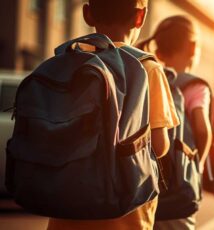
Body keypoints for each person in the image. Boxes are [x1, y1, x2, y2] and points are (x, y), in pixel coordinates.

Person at [47, 0, 179, 229]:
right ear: (140, 17)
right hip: (125, 217)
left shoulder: (65, 61)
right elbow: (159, 145)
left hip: (66, 212)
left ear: (87, 14)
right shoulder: (147, 68)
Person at [138, 15, 213, 229]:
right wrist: (198, 165)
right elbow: (202, 128)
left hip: (143, 189)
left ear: (159, 52)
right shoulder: (196, 87)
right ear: (193, 47)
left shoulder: (148, 77)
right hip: (178, 192)